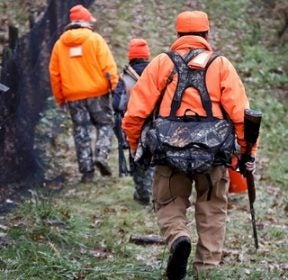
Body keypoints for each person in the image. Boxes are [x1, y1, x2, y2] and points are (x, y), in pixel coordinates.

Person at [122, 10, 257, 279]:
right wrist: (246, 152)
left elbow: (135, 113)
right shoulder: (221, 65)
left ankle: (178, 238)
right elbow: (242, 116)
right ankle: (206, 270)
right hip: (214, 155)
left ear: (178, 35)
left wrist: (137, 146)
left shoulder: (161, 63)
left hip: (169, 154)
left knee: (169, 203)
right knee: (213, 210)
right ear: (207, 35)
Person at [49, 4, 118, 183]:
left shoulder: (59, 45)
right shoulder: (95, 39)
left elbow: (54, 74)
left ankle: (87, 173)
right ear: (87, 21)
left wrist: (60, 98)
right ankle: (101, 155)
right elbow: (108, 66)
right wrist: (114, 87)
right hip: (98, 93)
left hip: (73, 96)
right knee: (105, 125)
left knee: (81, 131)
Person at [112, 38, 154, 205]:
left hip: (133, 124)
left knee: (136, 158)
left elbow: (117, 104)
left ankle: (142, 193)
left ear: (131, 56)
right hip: (155, 124)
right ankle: (154, 193)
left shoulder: (124, 78)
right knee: (154, 159)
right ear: (146, 56)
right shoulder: (156, 73)